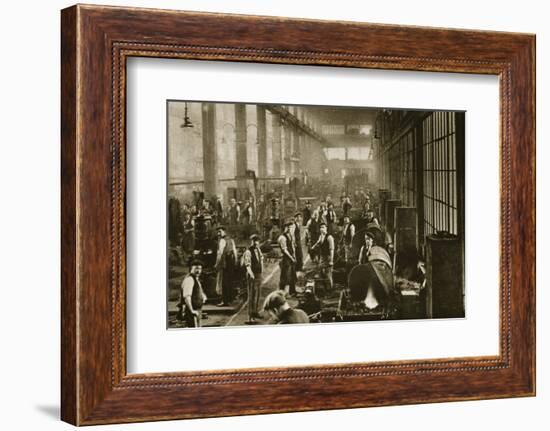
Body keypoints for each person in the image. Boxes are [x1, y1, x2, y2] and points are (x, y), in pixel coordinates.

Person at [242, 234, 264, 323]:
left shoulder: (258, 249)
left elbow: (261, 258)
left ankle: (255, 312)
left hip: (258, 274)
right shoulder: (248, 251)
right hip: (252, 276)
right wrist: (251, 275)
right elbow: (247, 264)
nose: (256, 243)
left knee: (258, 295)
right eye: (254, 241)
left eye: (257, 241)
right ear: (251, 242)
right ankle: (250, 317)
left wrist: (262, 269)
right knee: (252, 296)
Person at [178, 260, 207, 328]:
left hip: (197, 310)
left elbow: (199, 291)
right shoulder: (189, 280)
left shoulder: (196, 279)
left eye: (200, 269)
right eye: (195, 268)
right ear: (191, 269)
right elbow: (187, 297)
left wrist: (203, 296)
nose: (198, 271)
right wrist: (192, 310)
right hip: (191, 312)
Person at [215, 226, 238, 306]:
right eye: (218, 232)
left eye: (220, 231)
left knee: (224, 281)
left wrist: (217, 264)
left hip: (226, 261)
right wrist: (235, 261)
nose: (218, 233)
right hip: (231, 261)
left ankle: (224, 301)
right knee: (230, 279)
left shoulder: (222, 240)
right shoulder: (231, 239)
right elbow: (235, 251)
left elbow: (220, 253)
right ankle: (230, 298)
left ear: (224, 231)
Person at [310, 222, 334, 290]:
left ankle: (330, 289)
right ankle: (324, 288)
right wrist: (313, 247)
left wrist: (331, 261)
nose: (321, 229)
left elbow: (331, 249)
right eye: (320, 227)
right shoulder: (321, 236)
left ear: (326, 228)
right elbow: (318, 242)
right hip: (322, 256)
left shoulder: (329, 237)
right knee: (321, 271)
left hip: (328, 257)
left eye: (323, 227)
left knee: (328, 273)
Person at [278, 220, 297, 296]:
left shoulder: (291, 236)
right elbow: (285, 250)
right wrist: (291, 258)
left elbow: (293, 246)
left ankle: (292, 291)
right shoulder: (282, 237)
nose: (292, 229)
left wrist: (294, 256)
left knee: (292, 275)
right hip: (286, 259)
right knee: (285, 276)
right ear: (287, 228)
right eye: (290, 227)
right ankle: (281, 293)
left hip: (291, 258)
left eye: (293, 227)